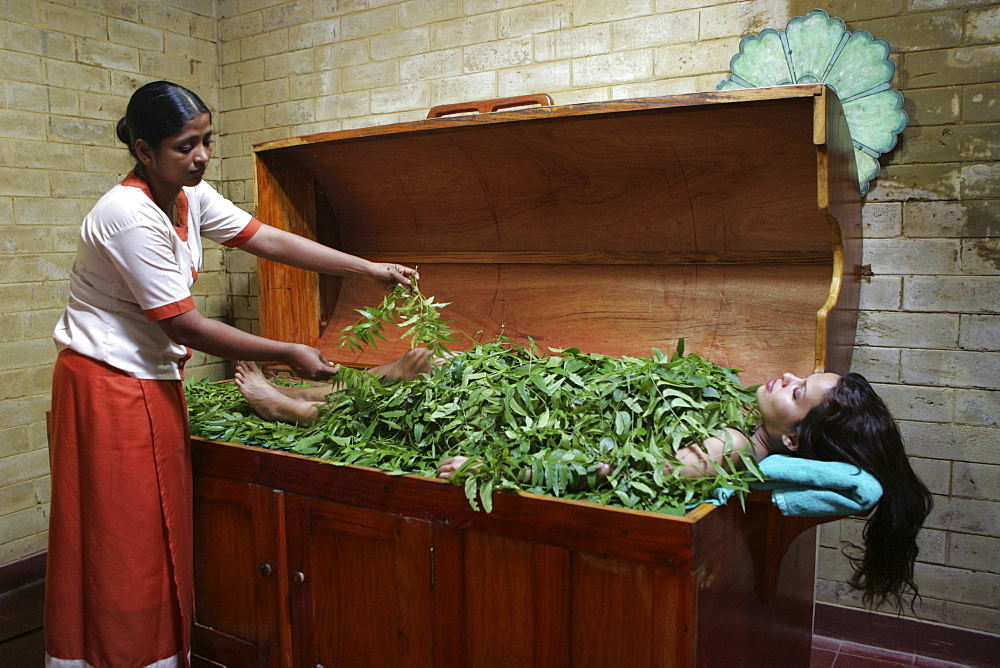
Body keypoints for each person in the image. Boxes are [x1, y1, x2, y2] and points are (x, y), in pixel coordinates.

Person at [45, 80, 418, 668]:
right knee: (122, 536)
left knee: (153, 524)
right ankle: (114, 656)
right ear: (144, 150)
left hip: (148, 380)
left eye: (206, 142)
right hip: (107, 385)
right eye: (184, 146)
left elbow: (265, 237)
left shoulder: (189, 195)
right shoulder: (127, 215)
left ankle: (160, 653)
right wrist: (289, 351)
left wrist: (364, 268)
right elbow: (185, 326)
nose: (199, 156)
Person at [236, 355, 932, 612]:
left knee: (419, 400)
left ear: (790, 438)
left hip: (528, 429)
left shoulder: (728, 443)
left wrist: (503, 469)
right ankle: (319, 388)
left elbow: (617, 468)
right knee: (424, 364)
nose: (786, 377)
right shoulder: (730, 398)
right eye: (801, 374)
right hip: (540, 391)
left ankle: (295, 407)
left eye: (799, 392)